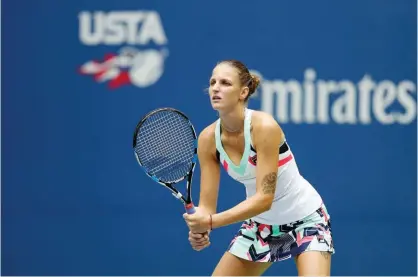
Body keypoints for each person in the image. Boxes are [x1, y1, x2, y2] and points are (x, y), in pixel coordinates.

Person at [183, 60, 335, 276]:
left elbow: (264, 198)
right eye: (212, 82)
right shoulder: (208, 139)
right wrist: (201, 227)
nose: (215, 88)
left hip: (306, 220)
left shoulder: (264, 127)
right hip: (261, 228)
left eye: (225, 83)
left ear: (243, 92)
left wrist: (210, 222)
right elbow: (207, 206)